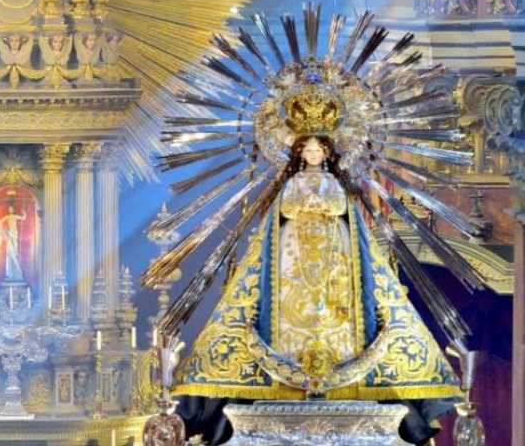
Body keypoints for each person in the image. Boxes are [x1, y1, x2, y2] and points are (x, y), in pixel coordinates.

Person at [174, 135, 461, 445]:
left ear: (326, 153)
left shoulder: (334, 182)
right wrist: (306, 205)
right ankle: (286, 376)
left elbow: (339, 205)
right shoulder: (293, 182)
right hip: (293, 247)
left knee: (338, 302)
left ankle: (343, 376)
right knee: (287, 298)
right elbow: (286, 208)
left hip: (334, 246)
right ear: (300, 153)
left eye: (318, 150)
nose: (313, 155)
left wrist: (321, 204)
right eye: (308, 150)